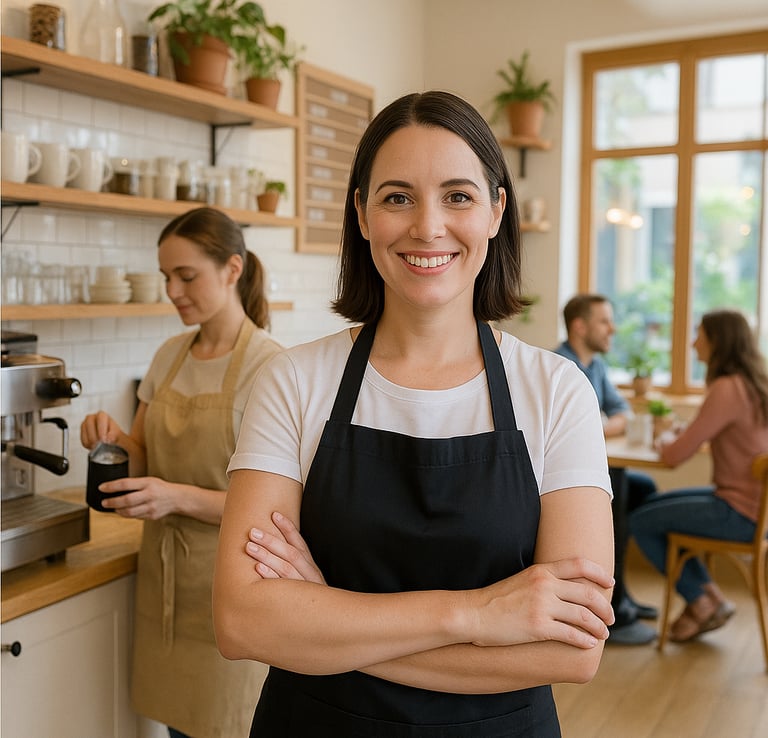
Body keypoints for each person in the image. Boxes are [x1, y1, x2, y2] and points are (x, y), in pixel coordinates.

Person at [212, 91, 615, 736]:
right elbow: (242, 622)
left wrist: (322, 613)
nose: (428, 226)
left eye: (458, 195)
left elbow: (572, 650)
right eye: (397, 196)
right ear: (363, 215)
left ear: (495, 211)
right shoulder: (291, 381)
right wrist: (477, 615)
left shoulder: (557, 390)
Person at [80, 208, 282, 738]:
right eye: (167, 276)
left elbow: (278, 512)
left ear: (232, 269)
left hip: (233, 591)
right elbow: (144, 455)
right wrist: (112, 440)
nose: (172, 290)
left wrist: (176, 498)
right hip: (165, 585)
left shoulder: (271, 367)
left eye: (185, 276)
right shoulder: (169, 355)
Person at [630, 309, 768, 642]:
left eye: (700, 336)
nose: (693, 344)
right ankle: (709, 598)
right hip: (753, 507)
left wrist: (665, 438)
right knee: (650, 502)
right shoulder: (753, 383)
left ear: (718, 342)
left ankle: (700, 600)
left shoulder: (726, 388)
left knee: (639, 521)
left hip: (738, 511)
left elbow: (676, 456)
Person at [554, 293, 658, 623]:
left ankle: (621, 594)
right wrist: (604, 427)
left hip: (598, 464)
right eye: (604, 321)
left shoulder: (596, 366)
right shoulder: (560, 368)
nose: (612, 329)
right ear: (579, 326)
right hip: (564, 476)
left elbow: (621, 411)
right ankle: (612, 606)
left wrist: (600, 427)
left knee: (643, 488)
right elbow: (570, 431)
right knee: (620, 491)